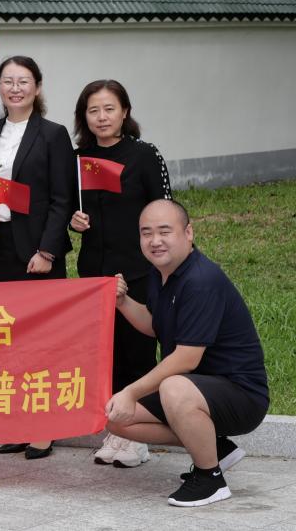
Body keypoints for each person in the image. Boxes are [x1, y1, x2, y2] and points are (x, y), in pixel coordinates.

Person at [106, 199, 268, 508]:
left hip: (241, 395)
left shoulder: (201, 280)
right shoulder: (160, 273)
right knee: (117, 418)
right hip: (198, 388)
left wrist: (131, 390)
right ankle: (217, 448)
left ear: (188, 233)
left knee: (172, 386)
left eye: (164, 231)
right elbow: (154, 324)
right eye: (146, 233)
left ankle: (210, 479)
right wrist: (122, 302)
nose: (155, 240)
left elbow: (186, 359)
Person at [0, 56, 75, 460]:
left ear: (37, 87)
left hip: (36, 254)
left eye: (23, 81)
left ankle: (44, 427)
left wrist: (47, 250)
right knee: (7, 342)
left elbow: (62, 199)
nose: (15, 89)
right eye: (8, 81)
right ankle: (18, 422)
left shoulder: (53, 134)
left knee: (41, 342)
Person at [71, 79, 173, 468]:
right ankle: (116, 429)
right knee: (105, 353)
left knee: (137, 351)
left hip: (138, 270)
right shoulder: (78, 158)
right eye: (93, 110)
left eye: (109, 109)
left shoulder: (144, 155)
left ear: (125, 112)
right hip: (94, 272)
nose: (102, 117)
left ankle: (138, 434)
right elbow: (65, 204)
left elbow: (165, 210)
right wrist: (72, 220)